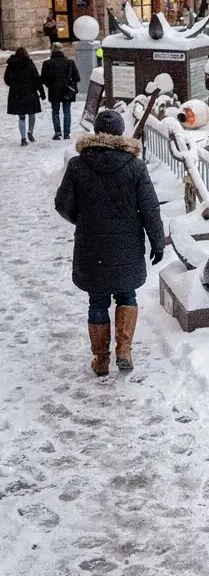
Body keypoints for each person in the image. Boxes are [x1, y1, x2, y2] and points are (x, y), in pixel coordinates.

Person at [54, 108, 165, 376]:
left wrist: (82, 220)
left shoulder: (78, 166)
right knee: (127, 294)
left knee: (97, 300)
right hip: (126, 244)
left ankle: (101, 359)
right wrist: (157, 242)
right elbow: (150, 208)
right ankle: (124, 350)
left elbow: (62, 204)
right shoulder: (135, 167)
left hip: (92, 245)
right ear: (119, 133)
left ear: (95, 133)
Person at [4, 47, 45, 145]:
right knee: (32, 114)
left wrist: (13, 85)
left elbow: (6, 78)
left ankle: (23, 138)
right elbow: (36, 79)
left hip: (17, 93)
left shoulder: (11, 65)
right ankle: (30, 131)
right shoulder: (30, 65)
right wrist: (42, 92)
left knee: (21, 117)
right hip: (30, 92)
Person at [40, 43, 80, 140]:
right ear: (62, 50)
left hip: (54, 91)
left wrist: (50, 84)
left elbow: (43, 79)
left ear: (52, 51)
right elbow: (77, 78)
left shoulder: (47, 63)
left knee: (55, 111)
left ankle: (57, 132)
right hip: (67, 91)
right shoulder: (70, 62)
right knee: (67, 111)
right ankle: (67, 133)